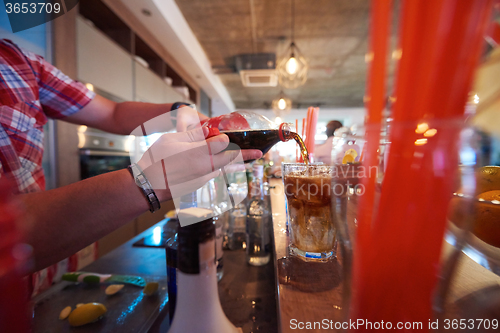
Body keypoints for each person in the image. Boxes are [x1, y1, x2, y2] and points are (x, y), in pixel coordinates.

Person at [0, 39, 262, 289]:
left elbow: (112, 113)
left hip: (45, 278)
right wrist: (149, 181)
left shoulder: (20, 63)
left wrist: (177, 110)